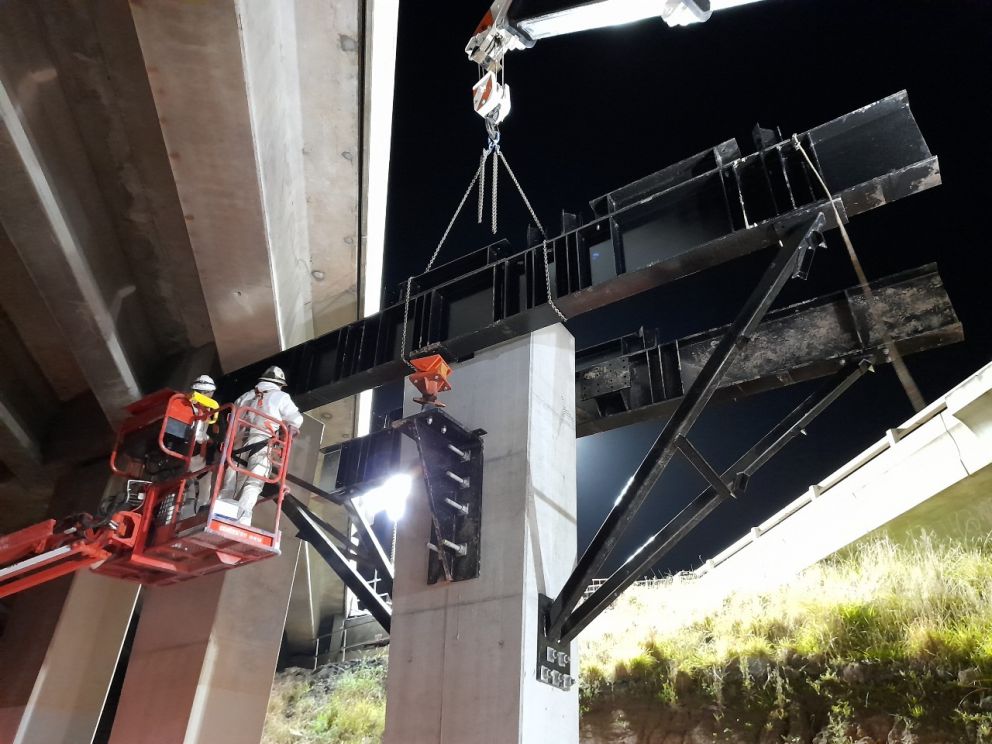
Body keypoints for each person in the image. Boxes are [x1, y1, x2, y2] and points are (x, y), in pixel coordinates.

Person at [216, 366, 302, 525]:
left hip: (237, 443)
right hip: (262, 441)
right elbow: (295, 420)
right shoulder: (281, 396)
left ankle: (219, 512)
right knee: (255, 480)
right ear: (279, 384)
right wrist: (287, 434)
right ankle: (242, 517)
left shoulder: (245, 396)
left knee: (231, 481)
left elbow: (232, 420)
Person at [183, 374, 219, 518]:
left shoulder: (189, 404)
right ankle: (199, 513)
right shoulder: (197, 408)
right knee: (204, 481)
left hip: (185, 450)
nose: (211, 397)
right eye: (210, 394)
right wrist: (209, 440)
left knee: (190, 487)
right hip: (192, 451)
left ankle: (189, 514)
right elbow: (197, 434)